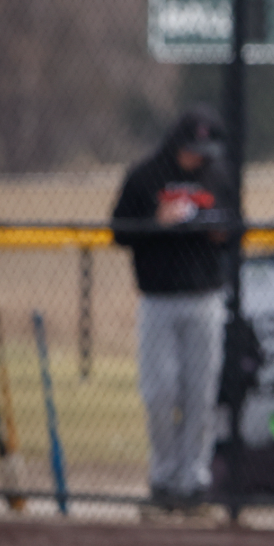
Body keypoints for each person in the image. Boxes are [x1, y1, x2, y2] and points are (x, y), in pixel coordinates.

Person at [110, 105, 238, 515]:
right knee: (160, 392)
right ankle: (163, 481)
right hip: (158, 299)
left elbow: (237, 227)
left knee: (201, 394)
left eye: (205, 148)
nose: (199, 157)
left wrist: (220, 231)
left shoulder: (218, 175)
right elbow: (118, 230)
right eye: (192, 148)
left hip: (205, 296)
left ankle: (193, 485)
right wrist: (155, 221)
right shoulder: (145, 176)